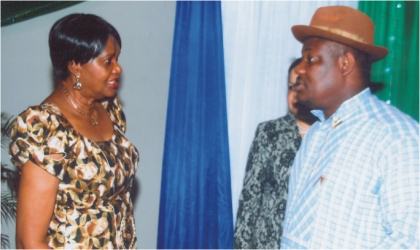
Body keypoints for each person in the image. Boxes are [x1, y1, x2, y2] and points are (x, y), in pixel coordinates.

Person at [281, 6, 419, 249]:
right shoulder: (317, 132)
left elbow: (410, 239)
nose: (300, 69)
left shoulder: (397, 136)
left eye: (310, 59)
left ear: (345, 64)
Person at [9, 14, 139, 249]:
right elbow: (29, 242)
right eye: (108, 61)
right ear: (75, 65)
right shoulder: (48, 130)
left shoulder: (108, 108)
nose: (118, 68)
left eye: (117, 59)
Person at [234, 58, 318, 249]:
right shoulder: (269, 132)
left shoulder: (330, 135)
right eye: (291, 87)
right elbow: (250, 198)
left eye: (301, 86)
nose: (295, 93)